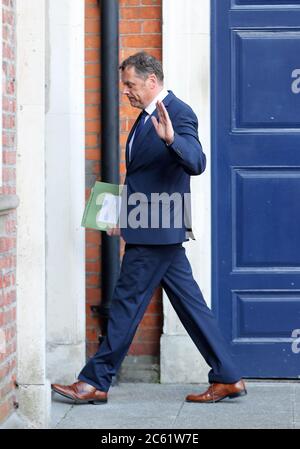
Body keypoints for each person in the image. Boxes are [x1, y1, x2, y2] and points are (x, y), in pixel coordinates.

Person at [51, 52, 247, 404]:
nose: (125, 91)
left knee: (126, 303)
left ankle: (94, 381)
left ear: (152, 81)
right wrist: (123, 213)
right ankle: (229, 376)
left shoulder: (178, 113)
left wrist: (172, 140)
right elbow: (143, 177)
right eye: (124, 84)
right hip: (153, 224)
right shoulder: (142, 119)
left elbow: (196, 161)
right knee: (191, 305)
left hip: (157, 229)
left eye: (131, 84)